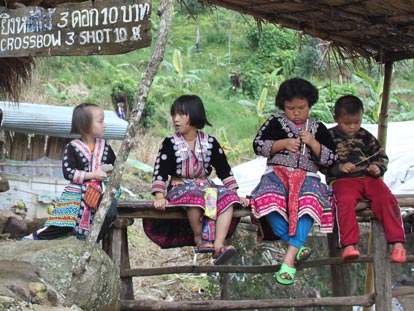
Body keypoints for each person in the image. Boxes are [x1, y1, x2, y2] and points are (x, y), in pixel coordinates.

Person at [249, 77, 337, 285]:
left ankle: (288, 258)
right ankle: (296, 245)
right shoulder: (273, 122)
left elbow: (331, 159)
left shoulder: (318, 127)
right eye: (290, 108)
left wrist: (314, 143)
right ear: (282, 106)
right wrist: (283, 143)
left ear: (310, 104)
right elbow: (258, 145)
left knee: (310, 201)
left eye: (301, 107)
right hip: (276, 175)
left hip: (308, 177)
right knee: (266, 199)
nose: (296, 112)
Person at [148, 94, 249, 265]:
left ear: (194, 115)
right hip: (180, 188)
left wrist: (234, 193)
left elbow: (224, 170)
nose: (175, 119)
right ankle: (199, 239)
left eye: (181, 114)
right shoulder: (169, 143)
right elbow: (160, 171)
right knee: (196, 195)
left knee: (227, 198)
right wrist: (159, 196)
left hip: (206, 187)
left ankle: (218, 245)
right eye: (174, 115)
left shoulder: (210, 142)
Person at [327, 95, 406, 263]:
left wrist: (377, 168)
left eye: (357, 122)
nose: (352, 127)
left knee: (387, 198)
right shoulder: (328, 137)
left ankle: (398, 244)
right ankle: (349, 246)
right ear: (336, 118)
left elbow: (381, 156)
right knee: (344, 201)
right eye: (347, 123)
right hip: (343, 181)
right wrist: (339, 168)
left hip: (369, 178)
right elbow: (320, 161)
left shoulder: (366, 136)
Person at [22, 103, 117, 242]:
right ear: (85, 126)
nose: (105, 124)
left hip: (101, 191)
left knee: (110, 214)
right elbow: (68, 173)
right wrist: (92, 175)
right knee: (65, 220)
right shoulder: (72, 147)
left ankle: (93, 242)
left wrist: (108, 173)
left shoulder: (106, 148)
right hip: (77, 191)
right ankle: (34, 238)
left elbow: (115, 168)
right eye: (100, 121)